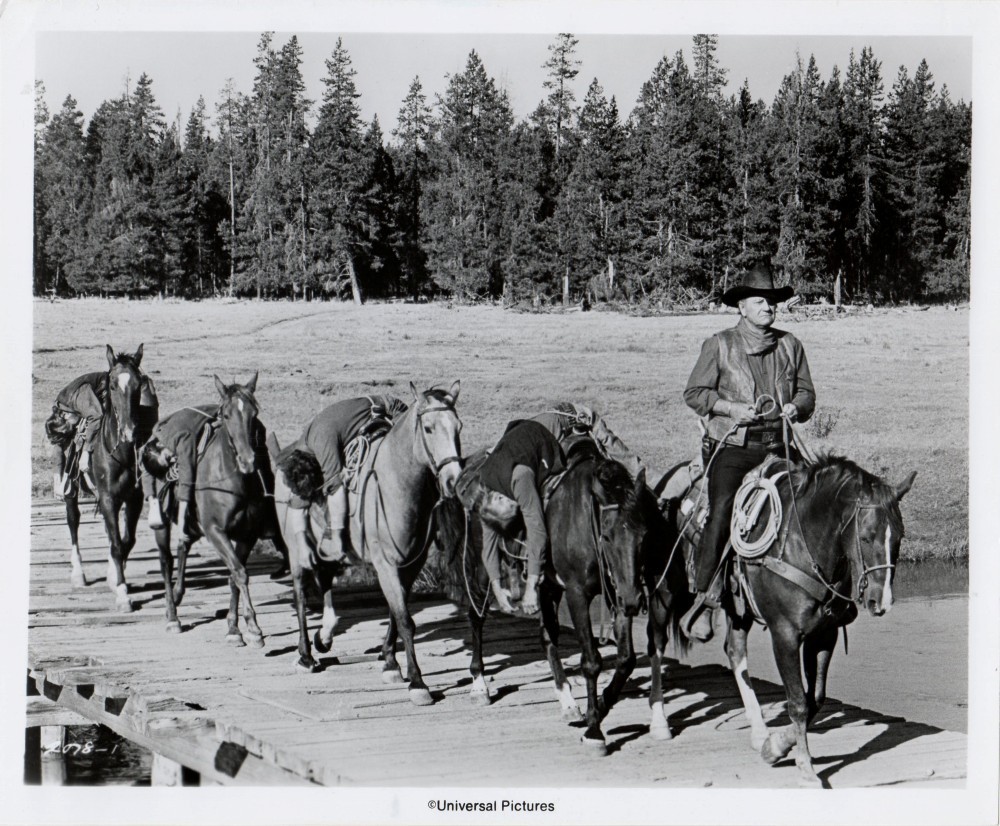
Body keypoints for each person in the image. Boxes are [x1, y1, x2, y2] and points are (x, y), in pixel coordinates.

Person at [680, 262, 816, 642]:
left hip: (779, 445)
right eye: (759, 302)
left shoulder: (790, 344)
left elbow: (807, 393)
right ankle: (704, 596)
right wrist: (731, 409)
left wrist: (796, 407)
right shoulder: (719, 344)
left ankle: (825, 586)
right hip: (736, 447)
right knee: (722, 506)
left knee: (817, 498)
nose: (768, 308)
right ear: (741, 307)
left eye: (771, 302)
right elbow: (694, 393)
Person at [278, 395, 409, 568]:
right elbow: (299, 502)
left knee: (408, 456)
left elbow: (336, 489)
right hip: (346, 426)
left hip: (389, 408)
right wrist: (301, 545)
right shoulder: (302, 455)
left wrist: (337, 538)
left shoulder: (323, 445)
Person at [476, 419, 566, 615]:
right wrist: (497, 588)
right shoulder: (486, 488)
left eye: (509, 503)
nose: (513, 502)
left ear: (499, 497)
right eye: (512, 506)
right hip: (518, 431)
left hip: (551, 426)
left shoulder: (519, 477)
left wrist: (532, 586)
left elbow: (537, 529)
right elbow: (488, 544)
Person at [532, 402, 643, 479]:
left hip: (579, 420)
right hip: (569, 419)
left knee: (625, 462)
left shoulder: (522, 450)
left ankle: (658, 488)